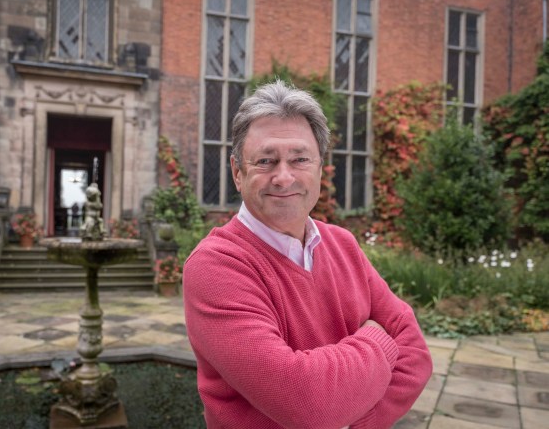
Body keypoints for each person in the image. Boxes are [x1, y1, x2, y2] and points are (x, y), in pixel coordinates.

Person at [183, 80, 432, 429]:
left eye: (300, 159)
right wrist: (378, 338)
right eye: (266, 161)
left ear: (319, 169)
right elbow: (306, 401)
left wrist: (352, 421)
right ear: (238, 172)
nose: (284, 178)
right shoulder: (216, 266)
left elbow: (417, 356)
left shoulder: (343, 244)